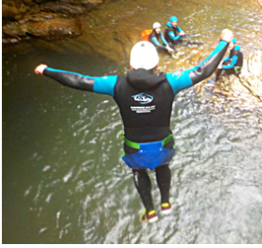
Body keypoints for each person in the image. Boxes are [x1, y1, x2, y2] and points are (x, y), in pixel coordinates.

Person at [34, 29, 234, 223]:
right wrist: (224, 42)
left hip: (134, 147)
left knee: (139, 171)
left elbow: (80, 81)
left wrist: (47, 71)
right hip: (163, 145)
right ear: (156, 66)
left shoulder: (115, 84)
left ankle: (150, 211)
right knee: (163, 166)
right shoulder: (171, 82)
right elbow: (202, 71)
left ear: (131, 65)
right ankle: (165, 203)